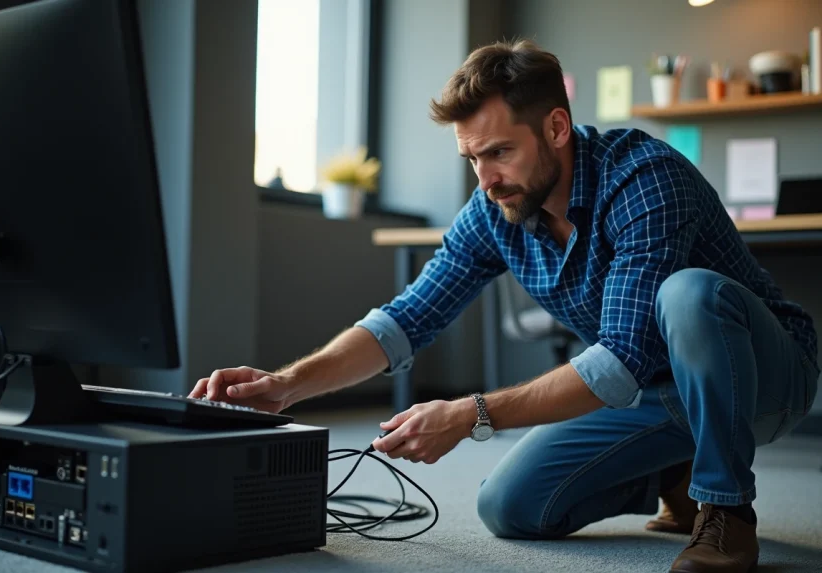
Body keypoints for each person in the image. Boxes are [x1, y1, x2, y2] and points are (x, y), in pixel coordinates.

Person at [191, 40, 819, 573]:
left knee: (688, 293)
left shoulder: (646, 179)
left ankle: (726, 506)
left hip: (765, 380)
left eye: (498, 153)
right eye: (471, 159)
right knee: (508, 507)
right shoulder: (497, 211)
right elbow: (407, 318)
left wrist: (471, 413)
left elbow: (622, 359)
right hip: (657, 396)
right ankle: (671, 471)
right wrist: (287, 385)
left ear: (555, 128)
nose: (484, 178)